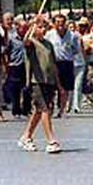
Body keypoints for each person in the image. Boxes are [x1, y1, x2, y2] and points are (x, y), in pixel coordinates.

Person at [18, 18, 64, 153]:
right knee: (45, 110)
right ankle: (51, 141)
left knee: (39, 111)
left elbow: (53, 65)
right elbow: (25, 40)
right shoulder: (31, 43)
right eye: (39, 27)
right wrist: (32, 24)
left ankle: (26, 136)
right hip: (36, 81)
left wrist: (59, 85)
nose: (42, 30)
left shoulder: (48, 44)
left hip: (49, 81)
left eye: (44, 27)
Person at [45, 14, 80, 117]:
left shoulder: (72, 35)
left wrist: (68, 53)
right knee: (52, 87)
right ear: (54, 23)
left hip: (66, 62)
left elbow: (76, 49)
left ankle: (62, 109)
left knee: (65, 88)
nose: (60, 25)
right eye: (58, 22)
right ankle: (50, 107)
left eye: (62, 22)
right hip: (53, 63)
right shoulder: (49, 35)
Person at [3, 18, 29, 118]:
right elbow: (6, 52)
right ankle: (16, 110)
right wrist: (6, 65)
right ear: (18, 28)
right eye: (23, 28)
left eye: (26, 28)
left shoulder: (28, 38)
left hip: (26, 65)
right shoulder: (12, 38)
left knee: (26, 88)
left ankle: (26, 110)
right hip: (14, 65)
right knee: (15, 89)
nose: (25, 30)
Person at [72, 17, 88, 113]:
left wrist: (85, 61)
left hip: (80, 63)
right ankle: (68, 105)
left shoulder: (80, 37)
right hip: (71, 62)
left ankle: (76, 106)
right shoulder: (71, 36)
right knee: (71, 86)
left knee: (78, 85)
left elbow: (82, 50)